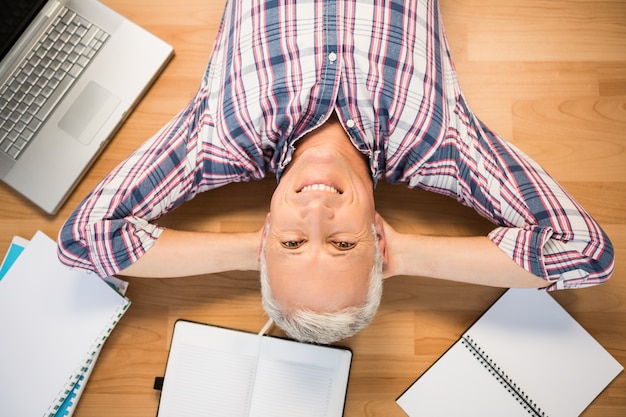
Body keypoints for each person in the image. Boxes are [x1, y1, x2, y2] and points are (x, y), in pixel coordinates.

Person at [57, 0, 614, 344]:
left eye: (294, 241)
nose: (317, 212)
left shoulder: (221, 137)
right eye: (344, 244)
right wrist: (406, 255)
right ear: (378, 238)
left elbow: (84, 241)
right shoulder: (441, 145)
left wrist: (253, 254)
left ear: (266, 233)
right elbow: (586, 255)